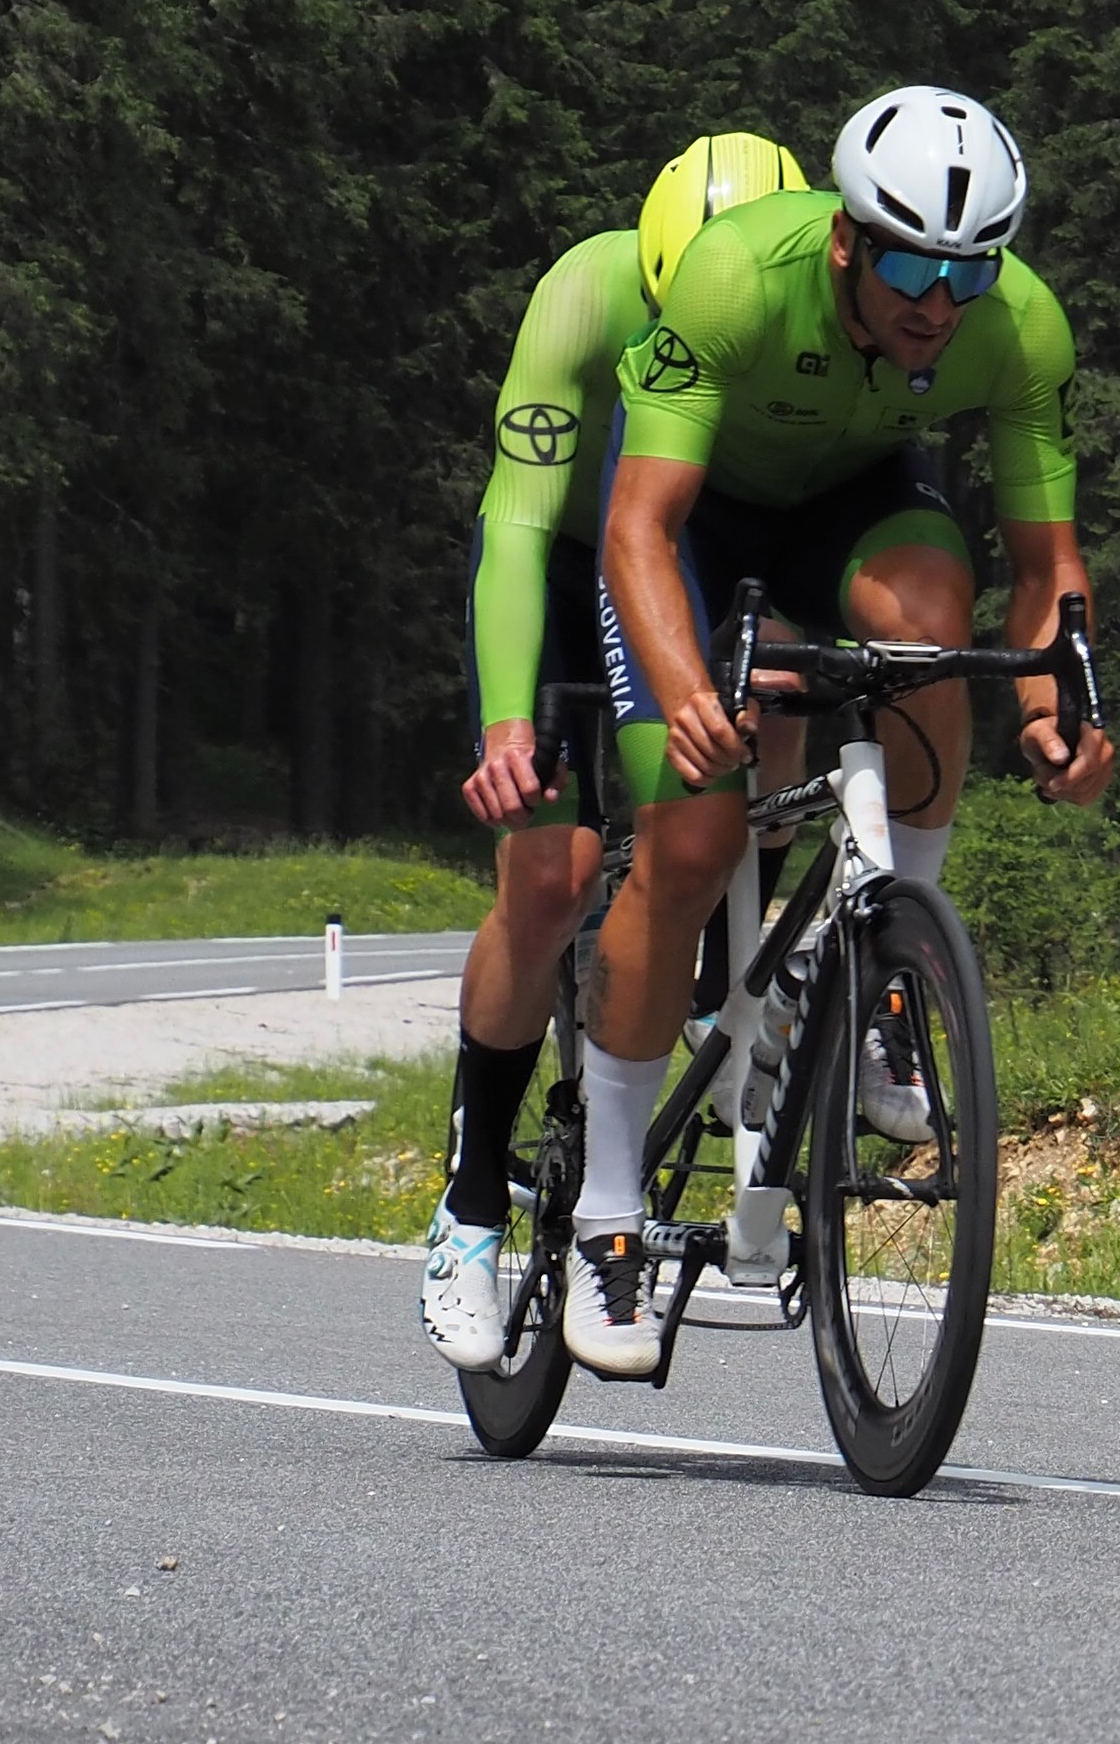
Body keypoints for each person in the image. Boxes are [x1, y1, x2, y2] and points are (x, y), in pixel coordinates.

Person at [578, 84, 1115, 1377]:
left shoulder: (1020, 326)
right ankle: (604, 1208)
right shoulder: (734, 279)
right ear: (843, 241)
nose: (938, 302)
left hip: (851, 503)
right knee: (691, 842)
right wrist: (685, 687)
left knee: (933, 628)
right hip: (693, 517)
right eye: (910, 266)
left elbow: (1045, 562)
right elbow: (637, 528)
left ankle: (883, 977)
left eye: (966, 272)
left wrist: (1056, 706)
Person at [422, 131, 812, 1370]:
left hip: (693, 553)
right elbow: (517, 521)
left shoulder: (795, 305)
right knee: (550, 873)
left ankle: (733, 986)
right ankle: (470, 1204)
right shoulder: (583, 295)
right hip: (571, 551)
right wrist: (506, 723)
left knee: (766, 732)